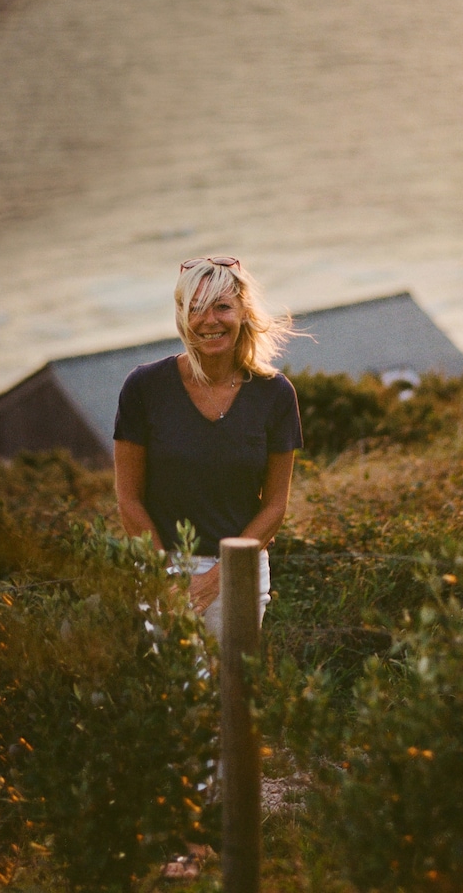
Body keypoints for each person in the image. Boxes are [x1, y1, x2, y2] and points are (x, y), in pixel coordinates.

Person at [113, 256, 303, 637]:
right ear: (182, 316)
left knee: (234, 689)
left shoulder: (275, 394)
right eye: (196, 308)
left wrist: (217, 577)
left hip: (240, 572)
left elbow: (275, 506)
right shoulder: (145, 388)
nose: (209, 320)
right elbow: (129, 501)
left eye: (222, 307)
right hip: (161, 569)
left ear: (244, 313)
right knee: (171, 691)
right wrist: (167, 577)